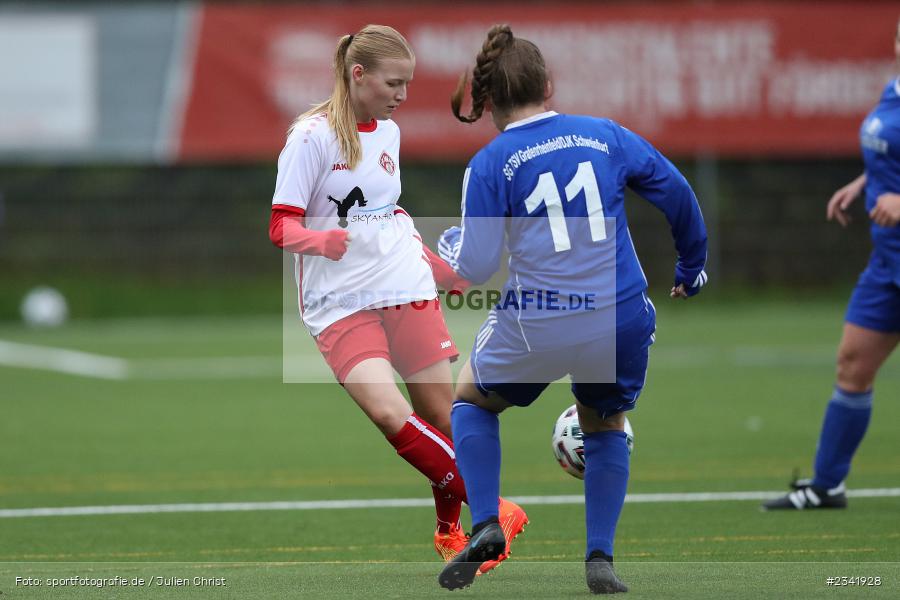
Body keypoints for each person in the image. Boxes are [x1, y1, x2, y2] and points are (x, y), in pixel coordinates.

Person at [434, 25, 708, 594]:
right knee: (605, 421)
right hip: (620, 314)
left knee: (469, 398)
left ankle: (486, 521)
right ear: (549, 85)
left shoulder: (490, 162)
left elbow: (479, 264)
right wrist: (691, 266)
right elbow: (675, 189)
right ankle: (599, 558)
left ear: (488, 103)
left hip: (541, 318)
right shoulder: (604, 135)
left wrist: (451, 245)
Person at [267, 24, 527, 569]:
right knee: (391, 413)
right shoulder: (311, 137)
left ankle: (450, 532)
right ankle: (497, 511)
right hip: (338, 303)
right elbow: (281, 227)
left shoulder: (389, 133)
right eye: (394, 83)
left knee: (447, 415)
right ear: (356, 74)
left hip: (403, 285)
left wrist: (442, 270)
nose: (402, 96)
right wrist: (322, 240)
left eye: (407, 84)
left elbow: (392, 219)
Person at [762, 20, 900, 511]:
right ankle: (827, 486)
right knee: (852, 364)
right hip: (889, 264)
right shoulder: (893, 91)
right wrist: (867, 181)